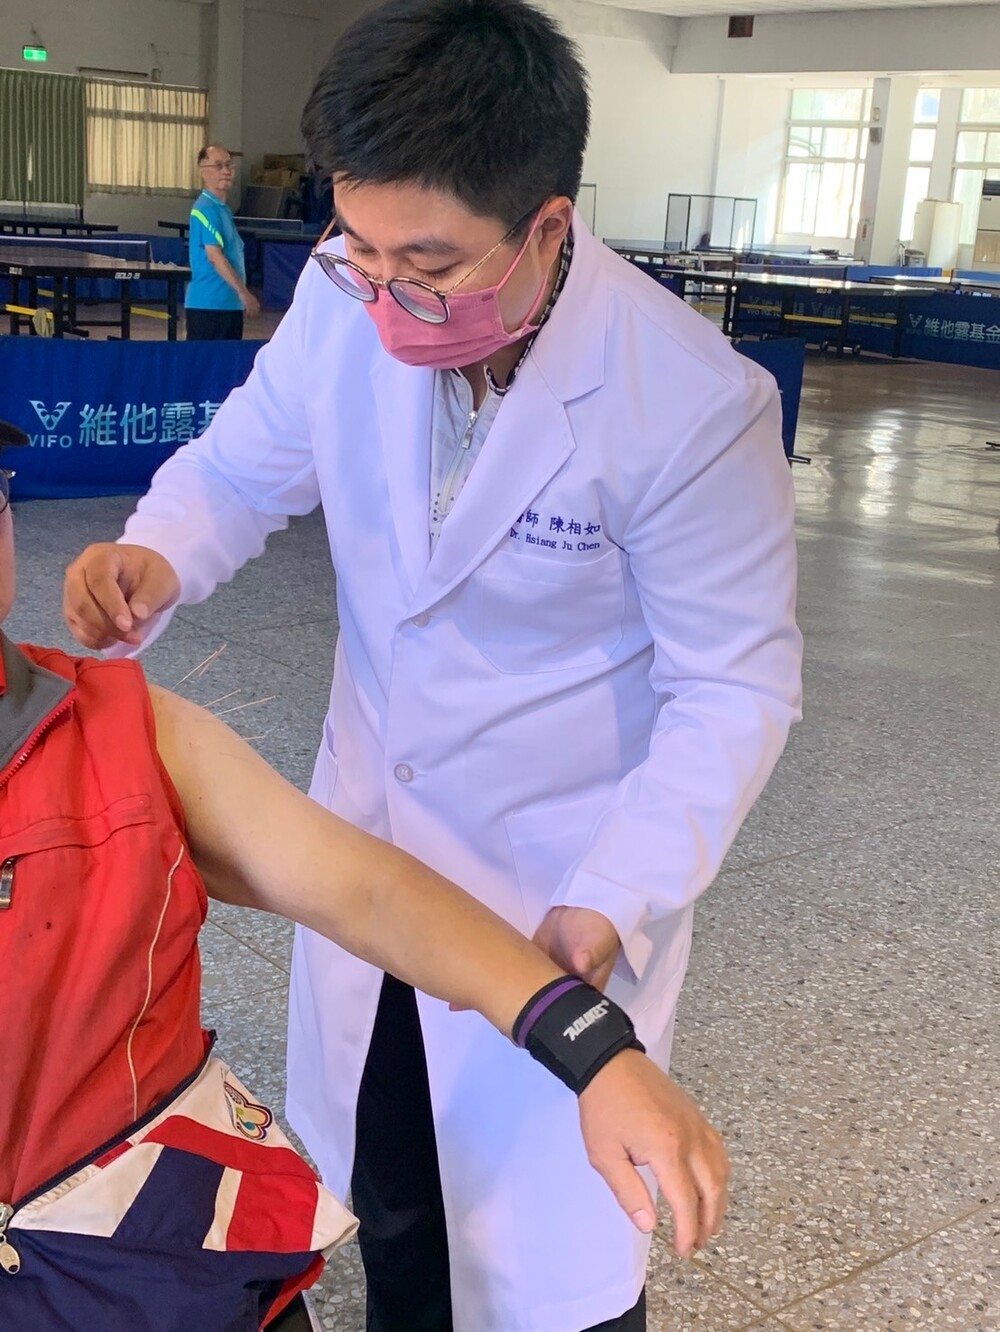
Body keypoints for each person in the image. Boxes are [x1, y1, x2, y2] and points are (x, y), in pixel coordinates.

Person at [62, 0, 803, 1327]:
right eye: (360, 245)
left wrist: (615, 894)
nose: (386, 292)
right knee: (393, 1201)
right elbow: (244, 465)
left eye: (432, 264)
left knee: (543, 1270)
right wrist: (157, 553)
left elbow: (733, 689)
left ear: (548, 226)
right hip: (365, 868)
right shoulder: (347, 298)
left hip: (550, 892)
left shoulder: (688, 401)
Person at [1, 417, 726, 1330]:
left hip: (151, 1262)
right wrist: (167, 543)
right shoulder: (339, 338)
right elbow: (238, 464)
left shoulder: (120, 731)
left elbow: (368, 890)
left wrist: (595, 1049)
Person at [185, 145, 261, 340]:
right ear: (203, 171)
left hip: (229, 306)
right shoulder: (205, 209)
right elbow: (215, 257)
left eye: (228, 165)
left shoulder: (223, 210)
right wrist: (243, 293)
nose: (226, 171)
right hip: (209, 307)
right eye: (218, 166)